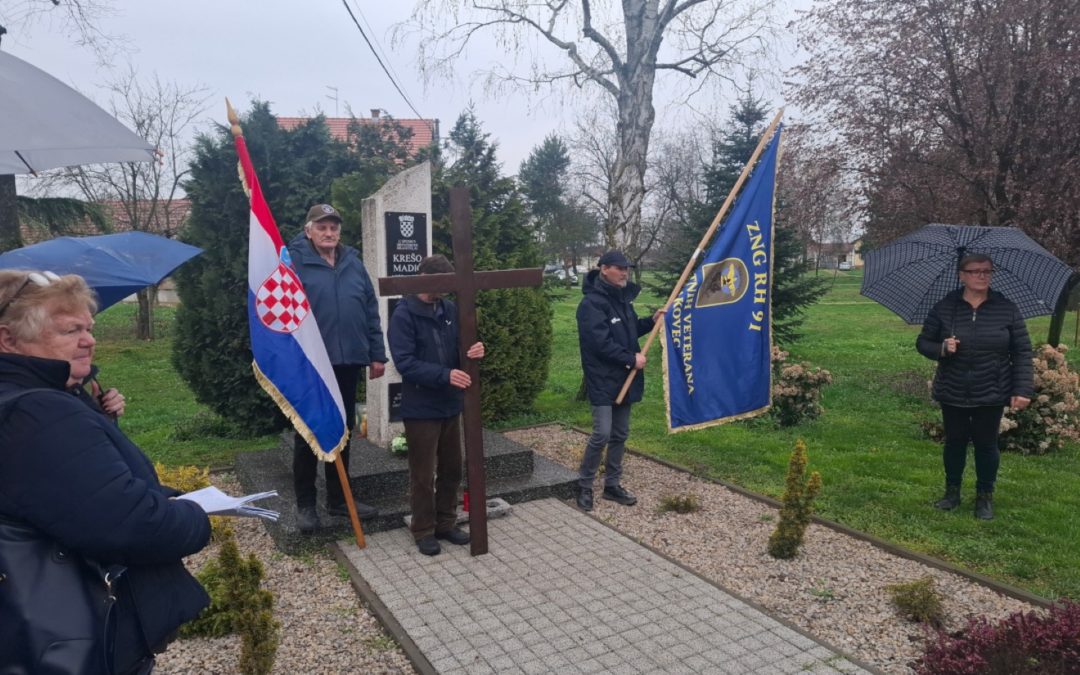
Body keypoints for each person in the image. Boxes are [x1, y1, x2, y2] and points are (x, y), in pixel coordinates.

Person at [0, 270, 211, 674]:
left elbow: (77, 485)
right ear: (8, 339)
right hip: (76, 641)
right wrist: (197, 516)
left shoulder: (38, 399)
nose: (89, 340)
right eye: (70, 330)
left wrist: (92, 411)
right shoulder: (34, 413)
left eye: (89, 328)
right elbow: (127, 524)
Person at [288, 203, 387, 533]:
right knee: (308, 433)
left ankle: (338, 499)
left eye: (333, 228)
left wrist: (376, 353)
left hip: (349, 361)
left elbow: (370, 309)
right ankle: (305, 504)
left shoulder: (353, 263)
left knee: (342, 432)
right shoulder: (292, 262)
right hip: (311, 364)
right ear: (309, 231)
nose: (329, 233)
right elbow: (281, 312)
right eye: (322, 227)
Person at [916, 253, 1033, 520]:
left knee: (986, 444)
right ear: (962, 275)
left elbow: (1022, 351)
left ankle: (984, 496)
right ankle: (952, 492)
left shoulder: (1006, 308)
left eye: (987, 271)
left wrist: (1022, 389)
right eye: (975, 271)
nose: (982, 275)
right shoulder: (946, 307)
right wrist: (942, 347)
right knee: (954, 442)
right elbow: (923, 342)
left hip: (991, 389)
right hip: (953, 388)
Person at [388, 254, 484, 556]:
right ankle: (424, 530)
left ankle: (446, 522)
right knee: (423, 474)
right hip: (421, 408)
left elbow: (460, 346)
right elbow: (405, 362)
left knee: (452, 469)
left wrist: (474, 351)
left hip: (450, 404)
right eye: (440, 284)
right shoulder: (404, 314)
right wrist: (445, 375)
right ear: (424, 278)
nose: (444, 290)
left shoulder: (450, 309)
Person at [575, 250, 664, 512]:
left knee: (620, 434)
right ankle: (584, 485)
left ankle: (612, 485)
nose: (625, 272)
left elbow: (630, 330)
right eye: (619, 268)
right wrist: (630, 359)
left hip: (625, 377)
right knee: (602, 433)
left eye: (627, 268)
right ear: (604, 269)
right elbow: (599, 343)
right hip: (602, 378)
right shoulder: (591, 304)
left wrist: (652, 321)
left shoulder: (623, 300)